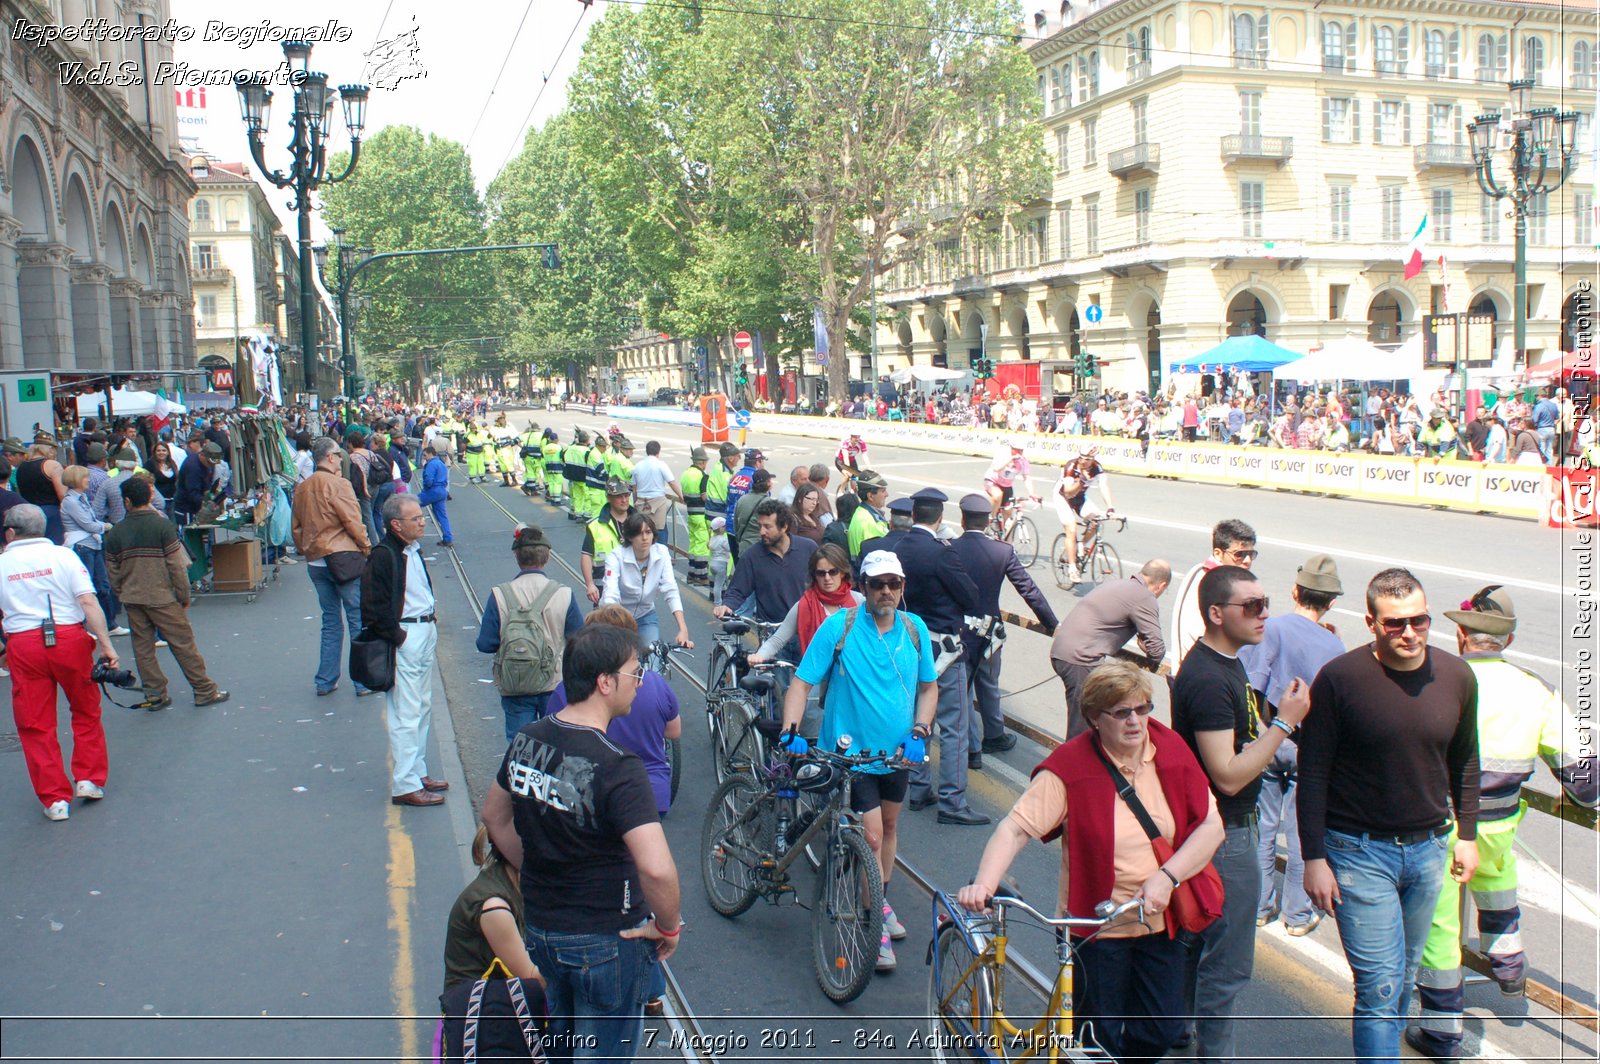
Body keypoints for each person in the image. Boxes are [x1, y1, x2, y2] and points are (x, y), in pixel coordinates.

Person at [957, 660, 1224, 1064]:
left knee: (1161, 1031)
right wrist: (985, 883)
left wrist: (1167, 878)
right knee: (1095, 1042)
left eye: (1143, 708)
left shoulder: (1167, 747)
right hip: (1096, 932)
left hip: (1158, 920)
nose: (1136, 721)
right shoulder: (1070, 768)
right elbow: (1015, 829)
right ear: (1095, 718)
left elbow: (1212, 825)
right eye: (1121, 713)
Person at [1299, 568, 1480, 1064]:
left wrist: (1467, 834)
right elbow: (1312, 772)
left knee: (1403, 976)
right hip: (1357, 853)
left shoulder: (1458, 677)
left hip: (1428, 850)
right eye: (1395, 623)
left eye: (1419, 620)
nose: (1409, 633)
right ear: (1371, 623)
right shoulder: (1340, 679)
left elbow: (1466, 759)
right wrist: (1312, 858)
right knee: (1379, 985)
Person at [1408, 586, 1598, 1059]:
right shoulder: (1535, 690)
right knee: (1498, 886)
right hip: (1497, 827)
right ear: (1507, 641)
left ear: (1459, 635)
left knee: (1439, 930)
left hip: (1441, 828)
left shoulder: (1434, 679)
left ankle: (1441, 1029)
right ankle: (1509, 963)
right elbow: (1584, 781)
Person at [481, 624, 682, 1061]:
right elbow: (656, 867)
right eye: (634, 671)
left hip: (541, 928)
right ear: (605, 683)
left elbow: (494, 816)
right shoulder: (619, 765)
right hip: (606, 937)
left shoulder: (527, 738)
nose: (640, 680)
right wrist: (668, 926)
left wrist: (534, 868)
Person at [1173, 564, 1312, 1064]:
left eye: (1266, 603)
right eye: (1250, 607)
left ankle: (1177, 1031)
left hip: (1220, 831)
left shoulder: (1225, 662)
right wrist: (1285, 727)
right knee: (1227, 964)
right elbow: (1228, 774)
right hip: (1225, 833)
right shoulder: (1211, 678)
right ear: (1216, 613)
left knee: (1194, 947)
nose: (1264, 615)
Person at [779, 549, 935, 973]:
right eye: (877, 584)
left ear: (902, 588)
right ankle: (872, 926)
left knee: (889, 828)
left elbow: (928, 688)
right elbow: (801, 683)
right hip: (851, 756)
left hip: (897, 755)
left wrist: (920, 731)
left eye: (894, 584)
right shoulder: (840, 627)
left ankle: (878, 903)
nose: (886, 591)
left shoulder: (914, 628)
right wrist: (791, 730)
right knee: (869, 836)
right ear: (863, 588)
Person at [1237, 555, 1345, 937]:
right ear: (1331, 602)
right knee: (1302, 834)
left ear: (1294, 591)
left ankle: (1259, 907)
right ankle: (1297, 915)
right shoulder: (1335, 645)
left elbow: (1252, 686)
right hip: (1309, 750)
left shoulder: (1272, 629)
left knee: (1263, 827)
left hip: (1270, 740)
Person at [0, 504, 118, 820]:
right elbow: (88, 601)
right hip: (68, 638)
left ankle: (54, 799)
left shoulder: (2, 564)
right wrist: (106, 645)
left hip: (24, 643)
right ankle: (89, 778)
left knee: (34, 723)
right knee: (85, 708)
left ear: (10, 533)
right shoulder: (64, 556)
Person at [894, 487, 986, 826]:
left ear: (914, 515)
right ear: (940, 518)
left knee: (919, 718)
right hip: (943, 646)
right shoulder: (941, 553)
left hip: (907, 642)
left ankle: (918, 787)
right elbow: (970, 596)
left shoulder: (897, 547)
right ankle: (952, 800)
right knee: (954, 725)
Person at [541, 606, 682, 820]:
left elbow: (554, 741)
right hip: (650, 791)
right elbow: (673, 731)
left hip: (588, 794)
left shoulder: (566, 690)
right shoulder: (656, 683)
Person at [103, 476, 229, 712]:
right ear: (150, 496)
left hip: (133, 598)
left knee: (143, 650)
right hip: (162, 596)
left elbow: (113, 572)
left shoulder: (116, 533)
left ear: (127, 501)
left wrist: (123, 592)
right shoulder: (162, 527)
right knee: (183, 645)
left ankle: (155, 694)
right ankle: (204, 690)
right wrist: (183, 596)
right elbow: (176, 566)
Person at [951, 493, 1058, 766]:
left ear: (962, 520)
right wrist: (1051, 622)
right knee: (988, 682)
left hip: (958, 630)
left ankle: (970, 747)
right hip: (990, 632)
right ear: (988, 521)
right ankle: (994, 734)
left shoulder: (949, 547)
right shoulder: (1002, 551)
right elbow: (1028, 590)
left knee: (962, 690)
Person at [363, 495, 446, 808]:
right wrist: (400, 637)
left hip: (423, 631)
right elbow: (372, 607)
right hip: (407, 635)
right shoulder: (384, 555)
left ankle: (418, 771)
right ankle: (406, 784)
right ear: (396, 524)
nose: (423, 521)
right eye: (416, 519)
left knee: (422, 706)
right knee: (406, 712)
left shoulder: (412, 550)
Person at [476, 524, 583, 744]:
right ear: (548, 557)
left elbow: (486, 643)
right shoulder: (564, 594)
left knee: (520, 745)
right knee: (556, 742)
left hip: (515, 684)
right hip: (553, 683)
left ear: (517, 556)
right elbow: (579, 641)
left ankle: (520, 776)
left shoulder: (499, 595)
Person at [439, 823, 544, 1039]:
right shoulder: (494, 908)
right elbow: (532, 977)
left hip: (495, 992)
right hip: (474, 1012)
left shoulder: (511, 880)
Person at [292, 437, 374, 697]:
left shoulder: (302, 488)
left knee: (330, 620)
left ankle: (325, 680)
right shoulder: (339, 484)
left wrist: (307, 548)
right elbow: (352, 520)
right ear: (329, 457)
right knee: (356, 618)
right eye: (338, 455)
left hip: (316, 561)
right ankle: (362, 681)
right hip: (342, 557)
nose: (341, 459)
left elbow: (296, 528)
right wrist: (366, 547)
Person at [1050, 561, 1170, 738]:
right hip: (1081, 659)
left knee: (1095, 719)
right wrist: (1144, 645)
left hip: (1064, 650)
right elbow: (1157, 650)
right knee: (1083, 727)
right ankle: (1070, 764)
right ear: (1162, 585)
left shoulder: (1119, 584)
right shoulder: (1144, 597)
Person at [1170, 518, 1257, 669]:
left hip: (1185, 667)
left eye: (1251, 553)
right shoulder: (1220, 586)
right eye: (1239, 554)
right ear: (1218, 553)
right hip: (1200, 671)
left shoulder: (1198, 569)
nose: (1247, 560)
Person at [714, 499, 816, 624]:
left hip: (805, 628)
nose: (762, 532)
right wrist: (727, 606)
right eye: (760, 526)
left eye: (767, 527)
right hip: (771, 631)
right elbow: (737, 590)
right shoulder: (752, 556)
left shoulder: (809, 548)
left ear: (784, 527)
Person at [602, 513, 693, 650]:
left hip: (645, 615)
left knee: (652, 655)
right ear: (630, 537)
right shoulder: (616, 556)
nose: (644, 538)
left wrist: (683, 628)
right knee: (620, 659)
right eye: (639, 533)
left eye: (648, 532)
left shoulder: (661, 553)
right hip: (618, 617)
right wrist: (615, 624)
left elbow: (670, 589)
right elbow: (611, 593)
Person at [1053, 447, 1114, 584]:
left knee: (1096, 521)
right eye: (1081, 458)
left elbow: (1103, 486)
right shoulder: (1071, 466)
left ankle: (1081, 545)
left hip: (1080, 498)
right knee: (1072, 529)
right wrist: (1081, 481)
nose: (1083, 461)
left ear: (1093, 460)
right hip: (1063, 497)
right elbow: (1068, 493)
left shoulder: (1096, 467)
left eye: (1087, 459)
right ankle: (1073, 568)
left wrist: (1110, 507)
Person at [581, 477, 637, 606]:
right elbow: (586, 555)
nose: (624, 500)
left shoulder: (639, 522)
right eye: (619, 496)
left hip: (634, 588)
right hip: (604, 590)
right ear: (609, 498)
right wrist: (589, 584)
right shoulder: (595, 525)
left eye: (626, 495)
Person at [630, 440, 680, 547]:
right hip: (657, 501)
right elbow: (672, 482)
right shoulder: (660, 464)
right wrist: (681, 496)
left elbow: (634, 488)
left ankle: (643, 553)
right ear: (658, 452)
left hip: (641, 501)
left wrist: (636, 501)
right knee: (659, 529)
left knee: (642, 529)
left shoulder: (637, 466)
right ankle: (660, 555)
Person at [16, 440, 67, 542]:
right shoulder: (52, 465)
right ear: (50, 450)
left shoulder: (21, 467)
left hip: (29, 514)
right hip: (52, 515)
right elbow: (63, 495)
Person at [679, 446, 712, 586]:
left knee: (693, 543)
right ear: (702, 462)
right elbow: (704, 497)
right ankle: (700, 575)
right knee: (702, 545)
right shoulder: (703, 476)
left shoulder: (685, 474)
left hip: (690, 512)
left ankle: (691, 574)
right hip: (701, 514)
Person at [981, 438, 1038, 518]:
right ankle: (991, 519)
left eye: (1021, 451)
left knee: (1008, 511)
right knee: (998, 496)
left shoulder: (1023, 460)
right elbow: (996, 468)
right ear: (1011, 448)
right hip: (992, 481)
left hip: (1007, 486)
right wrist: (1010, 459)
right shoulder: (1003, 454)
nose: (1019, 453)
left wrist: (1031, 493)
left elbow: (1026, 477)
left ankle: (1002, 529)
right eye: (1017, 450)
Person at [414, 443, 453, 549]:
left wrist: (426, 489)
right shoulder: (441, 463)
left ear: (431, 454)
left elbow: (428, 479)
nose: (424, 458)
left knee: (412, 505)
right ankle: (448, 538)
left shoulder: (431, 464)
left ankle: (409, 534)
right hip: (441, 491)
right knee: (442, 516)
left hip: (433, 491)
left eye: (425, 455)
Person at [845, 470, 890, 561]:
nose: (887, 494)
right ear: (870, 496)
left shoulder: (862, 513)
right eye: (883, 491)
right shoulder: (868, 522)